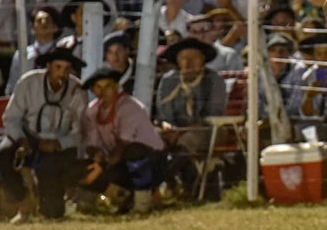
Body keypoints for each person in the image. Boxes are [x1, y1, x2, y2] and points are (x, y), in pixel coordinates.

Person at [0, 48, 88, 221]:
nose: (62, 73)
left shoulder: (77, 90)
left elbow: (81, 130)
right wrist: (22, 140)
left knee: (52, 213)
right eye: (58, 67)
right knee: (4, 153)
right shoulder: (28, 82)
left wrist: (59, 143)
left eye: (67, 69)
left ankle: (50, 203)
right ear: (49, 66)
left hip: (58, 144)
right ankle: (23, 203)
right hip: (28, 136)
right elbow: (11, 118)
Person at [78, 67, 164, 214]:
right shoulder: (92, 110)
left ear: (116, 87)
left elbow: (124, 144)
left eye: (108, 86)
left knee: (134, 152)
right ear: (93, 90)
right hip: (119, 161)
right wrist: (96, 156)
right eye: (98, 87)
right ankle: (85, 203)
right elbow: (92, 144)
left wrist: (105, 164)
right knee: (91, 164)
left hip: (151, 162)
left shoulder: (130, 107)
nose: (103, 91)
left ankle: (142, 204)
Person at [154, 37, 228, 196]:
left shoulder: (214, 80)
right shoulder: (169, 81)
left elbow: (213, 113)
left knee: (188, 140)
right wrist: (168, 127)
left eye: (193, 58)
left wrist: (183, 131)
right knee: (152, 138)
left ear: (202, 60)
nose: (188, 63)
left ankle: (163, 180)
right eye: (183, 58)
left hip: (208, 130)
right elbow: (163, 113)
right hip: (174, 131)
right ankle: (164, 185)